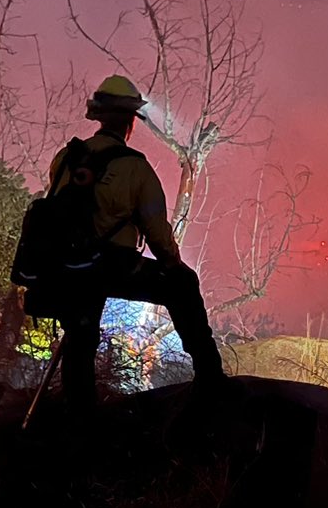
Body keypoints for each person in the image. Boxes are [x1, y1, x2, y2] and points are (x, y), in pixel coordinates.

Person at [41, 74, 224, 407]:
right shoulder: (135, 169)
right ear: (130, 123)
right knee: (183, 284)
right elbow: (158, 234)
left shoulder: (65, 158)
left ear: (98, 116)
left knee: (81, 336)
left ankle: (79, 413)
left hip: (66, 267)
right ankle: (212, 379)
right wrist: (173, 265)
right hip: (111, 266)